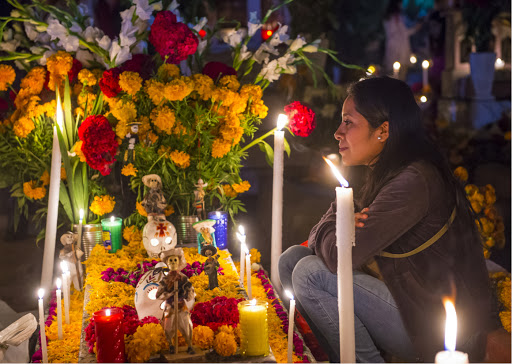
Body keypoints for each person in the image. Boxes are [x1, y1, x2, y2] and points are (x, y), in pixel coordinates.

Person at [278, 77, 493, 363]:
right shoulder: (382, 171)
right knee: (292, 259)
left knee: (309, 272)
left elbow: (342, 256)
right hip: (402, 300)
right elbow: (328, 235)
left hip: (431, 324)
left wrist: (335, 226)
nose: (338, 133)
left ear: (383, 131)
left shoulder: (414, 180)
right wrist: (337, 224)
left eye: (349, 122)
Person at [383, 0, 423, 80]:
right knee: (397, 74)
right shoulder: (395, 17)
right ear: (397, 4)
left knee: (397, 73)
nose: (403, 5)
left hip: (396, 46)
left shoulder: (391, 17)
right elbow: (402, 33)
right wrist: (416, 28)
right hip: (398, 47)